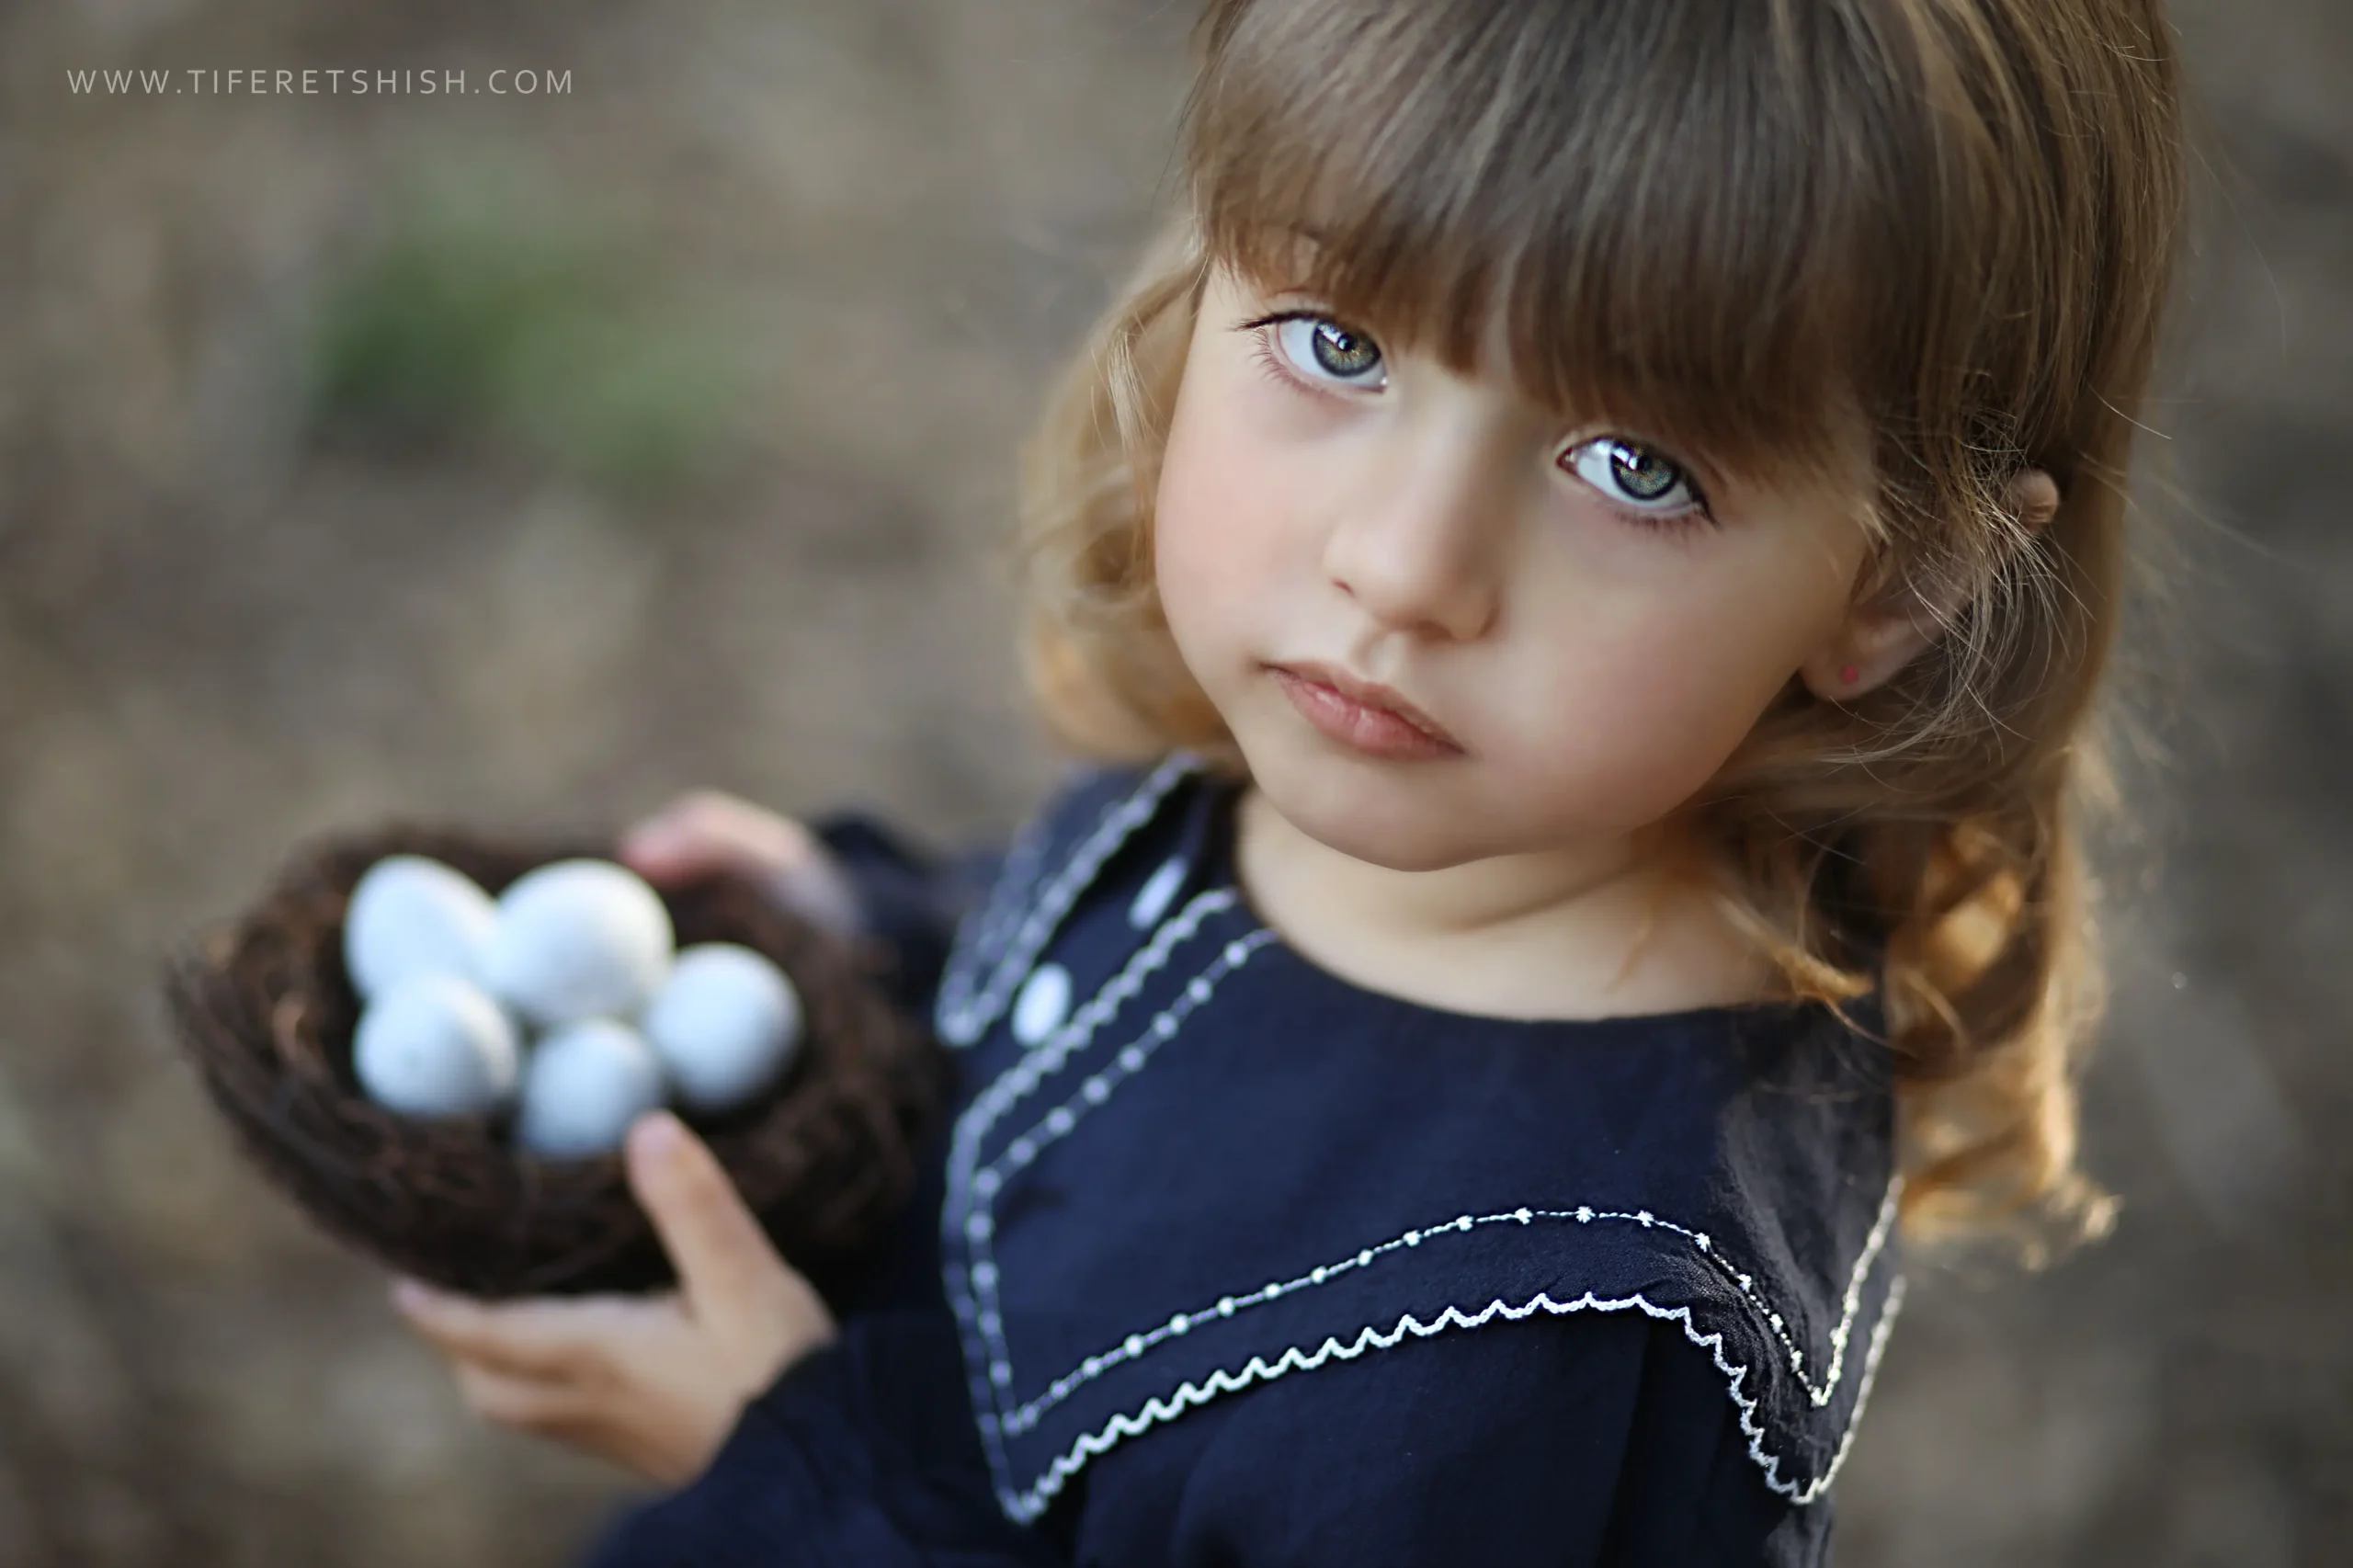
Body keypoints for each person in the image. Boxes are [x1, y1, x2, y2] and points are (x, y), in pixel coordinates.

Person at [388, 0, 2189, 1561]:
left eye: (1635, 467)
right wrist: (890, 937)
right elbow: (1181, 1044)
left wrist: (790, 1474)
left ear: (1897, 585)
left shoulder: (1538, 1374)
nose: (1401, 567)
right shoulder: (1417, 810)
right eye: (1339, 346)